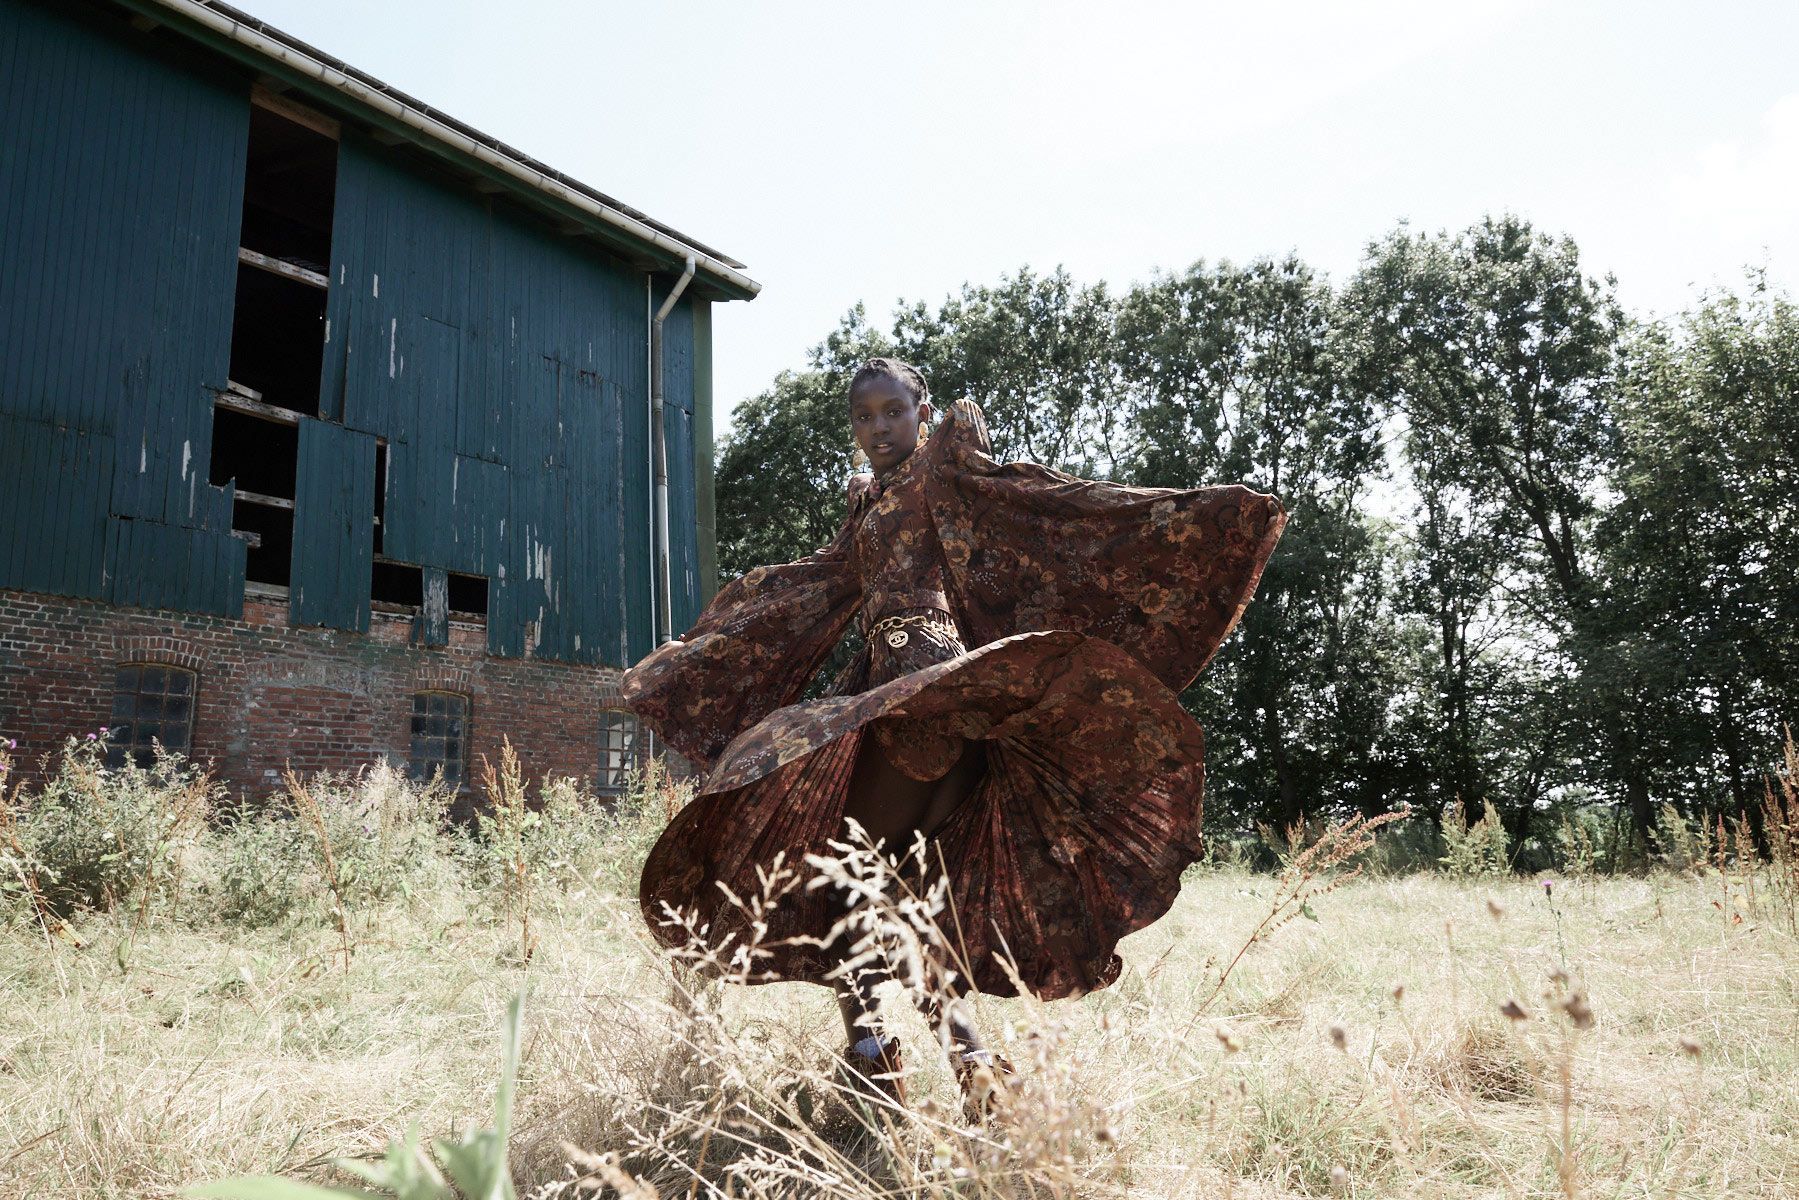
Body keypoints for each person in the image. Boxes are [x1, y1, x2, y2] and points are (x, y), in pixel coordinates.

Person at [623, 357, 1284, 1115]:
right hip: (893, 691)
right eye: (864, 416)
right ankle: (965, 1067)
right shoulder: (868, 500)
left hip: (931, 696)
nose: (879, 427)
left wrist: (1196, 512)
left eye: (893, 411)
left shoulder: (942, 465)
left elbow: (1046, 503)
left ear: (922, 412)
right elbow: (810, 585)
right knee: (893, 893)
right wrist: (700, 651)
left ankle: (878, 1061)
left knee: (848, 880)